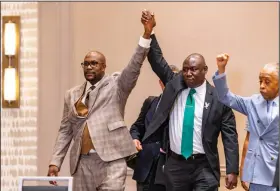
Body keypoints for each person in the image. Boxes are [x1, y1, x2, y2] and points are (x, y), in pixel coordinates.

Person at [47, 18, 154, 191]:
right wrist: (55, 162)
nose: (89, 67)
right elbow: (65, 130)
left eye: (94, 63)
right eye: (86, 64)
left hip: (111, 160)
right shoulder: (72, 94)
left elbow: (134, 66)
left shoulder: (117, 85)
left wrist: (146, 35)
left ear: (104, 66)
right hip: (81, 163)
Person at [140, 11, 239, 191]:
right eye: (185, 69)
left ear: (205, 70)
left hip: (204, 166)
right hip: (176, 165)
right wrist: (149, 32)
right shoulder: (174, 85)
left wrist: (232, 170)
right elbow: (157, 60)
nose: (188, 73)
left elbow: (230, 136)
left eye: (193, 69)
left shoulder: (219, 98)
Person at [212, 54, 279, 191]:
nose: (261, 86)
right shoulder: (253, 102)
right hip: (257, 172)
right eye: (260, 81)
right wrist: (221, 69)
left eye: (267, 81)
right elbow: (226, 97)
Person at [130, 65, 179, 191]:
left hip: (170, 168)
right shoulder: (151, 102)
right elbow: (137, 127)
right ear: (160, 83)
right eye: (166, 81)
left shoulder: (183, 107)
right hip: (146, 167)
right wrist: (134, 138)